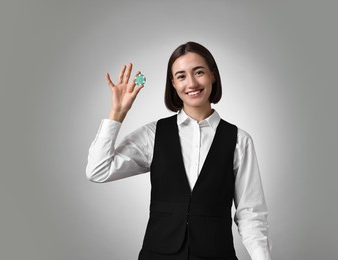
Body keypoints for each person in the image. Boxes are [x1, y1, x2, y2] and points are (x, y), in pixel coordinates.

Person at [86, 42, 272, 260]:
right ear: (173, 83)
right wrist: (117, 113)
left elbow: (251, 214)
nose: (191, 83)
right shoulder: (153, 134)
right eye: (181, 76)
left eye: (199, 72)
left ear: (213, 75)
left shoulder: (239, 140)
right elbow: (98, 171)